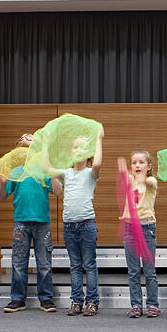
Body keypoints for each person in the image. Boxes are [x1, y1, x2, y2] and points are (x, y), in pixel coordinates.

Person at [43, 130, 104, 316]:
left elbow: (99, 163)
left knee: (89, 265)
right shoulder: (66, 173)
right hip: (69, 225)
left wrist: (99, 139)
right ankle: (76, 301)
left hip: (87, 224)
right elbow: (46, 167)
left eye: (82, 147)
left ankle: (92, 301)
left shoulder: (90, 173)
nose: (78, 150)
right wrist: (45, 144)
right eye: (75, 147)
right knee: (75, 265)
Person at [0, 133, 61, 314]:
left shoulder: (43, 170)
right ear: (17, 151)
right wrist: (3, 183)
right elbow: (2, 196)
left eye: (32, 147)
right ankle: (18, 299)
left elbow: (57, 191)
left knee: (44, 262)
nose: (28, 151)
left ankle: (46, 298)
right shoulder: (15, 172)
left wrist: (54, 172)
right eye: (24, 147)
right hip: (21, 222)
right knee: (18, 262)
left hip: (42, 222)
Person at [120, 150, 160, 318]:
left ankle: (153, 305)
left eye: (141, 162)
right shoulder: (130, 181)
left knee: (149, 271)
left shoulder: (151, 181)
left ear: (149, 166)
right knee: (133, 271)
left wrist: (136, 177)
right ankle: (136, 305)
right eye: (134, 162)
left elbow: (148, 182)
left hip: (147, 228)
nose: (137, 165)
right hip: (130, 228)